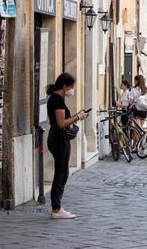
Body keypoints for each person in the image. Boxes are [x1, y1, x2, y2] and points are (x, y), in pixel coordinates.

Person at [47, 73, 88, 219]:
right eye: (71, 87)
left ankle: (57, 207)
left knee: (62, 172)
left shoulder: (56, 98)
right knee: (61, 173)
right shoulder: (57, 99)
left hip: (57, 137)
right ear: (65, 86)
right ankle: (56, 209)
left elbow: (63, 119)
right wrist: (78, 118)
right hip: (59, 138)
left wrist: (77, 114)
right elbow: (61, 123)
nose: (72, 90)